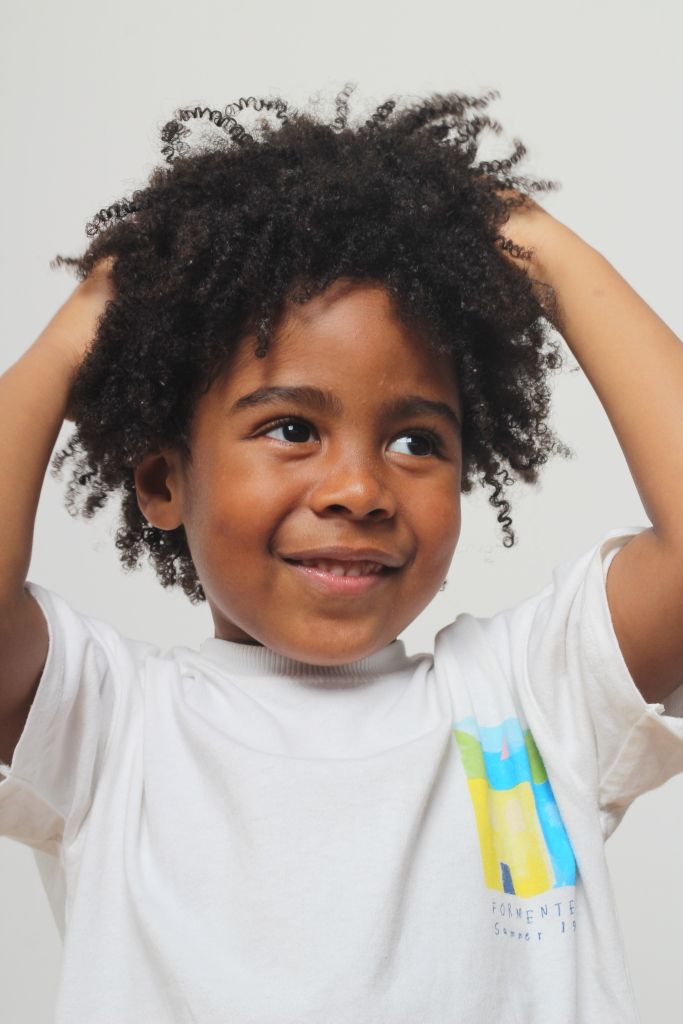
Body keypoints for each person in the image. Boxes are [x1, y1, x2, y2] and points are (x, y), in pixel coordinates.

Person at [1, 85, 682, 1024]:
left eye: (414, 441)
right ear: (162, 481)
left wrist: (540, 249)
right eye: (290, 428)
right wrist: (92, 318)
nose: (359, 489)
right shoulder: (111, 728)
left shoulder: (529, 705)